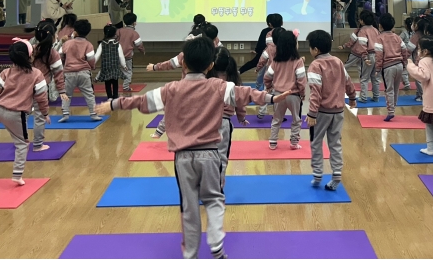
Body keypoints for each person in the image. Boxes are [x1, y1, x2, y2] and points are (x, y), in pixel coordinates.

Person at [97, 36, 290, 260]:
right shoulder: (221, 86)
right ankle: (216, 246)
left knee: (188, 206)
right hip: (211, 155)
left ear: (184, 64)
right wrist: (273, 98)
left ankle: (190, 254)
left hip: (183, 159)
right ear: (210, 66)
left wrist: (113, 103)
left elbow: (141, 102)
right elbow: (246, 94)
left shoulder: (171, 89)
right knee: (214, 199)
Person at [0, 40, 50, 186]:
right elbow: (42, 97)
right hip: (17, 115)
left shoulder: (6, 72)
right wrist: (45, 114)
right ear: (29, 56)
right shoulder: (37, 74)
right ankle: (17, 175)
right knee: (22, 144)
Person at [148, 24, 222, 137]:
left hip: (190, 87)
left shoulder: (190, 53)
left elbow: (170, 64)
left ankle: (160, 131)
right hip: (206, 88)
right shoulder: (216, 49)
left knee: (174, 107)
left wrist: (154, 67)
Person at [307, 30, 357, 190]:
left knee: (316, 142)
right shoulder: (338, 61)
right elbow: (348, 82)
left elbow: (316, 91)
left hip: (321, 112)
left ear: (315, 50)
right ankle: (336, 175)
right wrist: (353, 97)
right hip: (338, 111)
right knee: (335, 144)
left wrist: (311, 113)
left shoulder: (315, 65)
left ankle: (317, 174)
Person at [206, 46, 247, 185]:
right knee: (221, 156)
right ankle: (217, 186)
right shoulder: (233, 79)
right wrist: (241, 116)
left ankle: (205, 183)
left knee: (205, 155)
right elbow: (240, 99)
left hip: (205, 121)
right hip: (223, 122)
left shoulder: (206, 78)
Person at [264, 29, 306, 150]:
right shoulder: (298, 61)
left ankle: (272, 142)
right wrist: (302, 93)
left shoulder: (276, 61)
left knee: (276, 119)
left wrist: (269, 87)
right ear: (294, 44)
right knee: (296, 119)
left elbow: (267, 76)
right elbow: (301, 80)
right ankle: (294, 143)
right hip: (294, 95)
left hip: (278, 95)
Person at [31, 22, 67, 152]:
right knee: (39, 117)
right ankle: (37, 145)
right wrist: (62, 90)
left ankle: (21, 141)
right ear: (52, 36)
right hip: (41, 88)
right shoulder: (53, 53)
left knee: (21, 115)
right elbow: (58, 73)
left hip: (25, 87)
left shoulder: (30, 49)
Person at [59, 19, 100, 121]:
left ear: (75, 32)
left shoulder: (67, 44)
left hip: (69, 73)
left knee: (67, 94)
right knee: (89, 94)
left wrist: (65, 62)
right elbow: (91, 59)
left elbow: (60, 55)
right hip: (84, 73)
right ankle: (93, 114)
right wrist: (92, 67)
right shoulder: (88, 44)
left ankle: (65, 114)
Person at [374, 13, 410, 121]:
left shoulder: (379, 38)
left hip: (388, 67)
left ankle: (391, 111)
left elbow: (379, 55)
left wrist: (377, 68)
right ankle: (393, 108)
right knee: (396, 89)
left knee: (389, 89)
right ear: (393, 26)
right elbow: (404, 51)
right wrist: (404, 63)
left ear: (380, 26)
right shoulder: (397, 37)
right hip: (399, 65)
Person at [339, 10, 380, 102]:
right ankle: (376, 97)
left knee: (364, 78)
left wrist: (365, 58)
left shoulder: (362, 31)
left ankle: (364, 97)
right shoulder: (376, 30)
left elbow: (362, 45)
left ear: (361, 21)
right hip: (377, 55)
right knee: (375, 78)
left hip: (368, 56)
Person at [239, 14, 280, 80]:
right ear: (282, 23)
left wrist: (257, 50)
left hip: (265, 53)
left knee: (256, 66)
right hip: (279, 54)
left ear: (269, 24)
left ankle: (239, 71)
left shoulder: (265, 31)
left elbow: (261, 43)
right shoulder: (283, 31)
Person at [253, 26, 282, 119]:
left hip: (270, 73)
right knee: (279, 94)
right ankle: (277, 114)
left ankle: (262, 112)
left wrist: (257, 69)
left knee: (266, 92)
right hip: (282, 74)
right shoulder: (287, 48)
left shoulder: (269, 48)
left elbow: (262, 60)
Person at [95, 24, 126, 100]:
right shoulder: (117, 44)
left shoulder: (102, 44)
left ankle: (109, 97)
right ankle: (115, 96)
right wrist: (124, 65)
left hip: (106, 67)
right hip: (115, 67)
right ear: (115, 33)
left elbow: (96, 56)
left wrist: (92, 63)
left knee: (107, 83)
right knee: (115, 82)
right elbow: (121, 56)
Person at [117, 13, 145, 94]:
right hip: (127, 56)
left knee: (117, 70)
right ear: (134, 23)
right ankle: (126, 87)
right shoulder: (134, 33)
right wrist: (142, 51)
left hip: (117, 55)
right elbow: (139, 45)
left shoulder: (119, 31)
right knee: (128, 71)